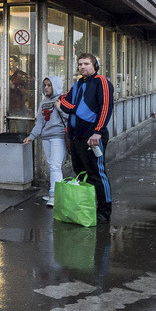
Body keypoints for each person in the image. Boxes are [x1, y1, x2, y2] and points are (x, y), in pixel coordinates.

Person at [59, 52, 115, 223]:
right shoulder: (77, 84)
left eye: (86, 64)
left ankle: (104, 210)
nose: (82, 67)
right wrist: (76, 107)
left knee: (97, 173)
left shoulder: (101, 81)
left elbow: (105, 107)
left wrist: (97, 131)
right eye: (80, 64)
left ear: (94, 65)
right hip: (76, 136)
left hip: (93, 136)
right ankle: (87, 205)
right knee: (80, 172)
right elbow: (63, 102)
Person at [24, 76, 67, 206]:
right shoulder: (43, 103)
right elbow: (40, 122)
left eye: (49, 85)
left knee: (55, 166)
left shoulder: (63, 100)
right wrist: (32, 136)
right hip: (46, 137)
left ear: (56, 86)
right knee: (51, 166)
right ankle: (54, 193)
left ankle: (54, 196)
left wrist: (60, 108)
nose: (46, 88)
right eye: (45, 85)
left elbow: (71, 116)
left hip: (58, 137)